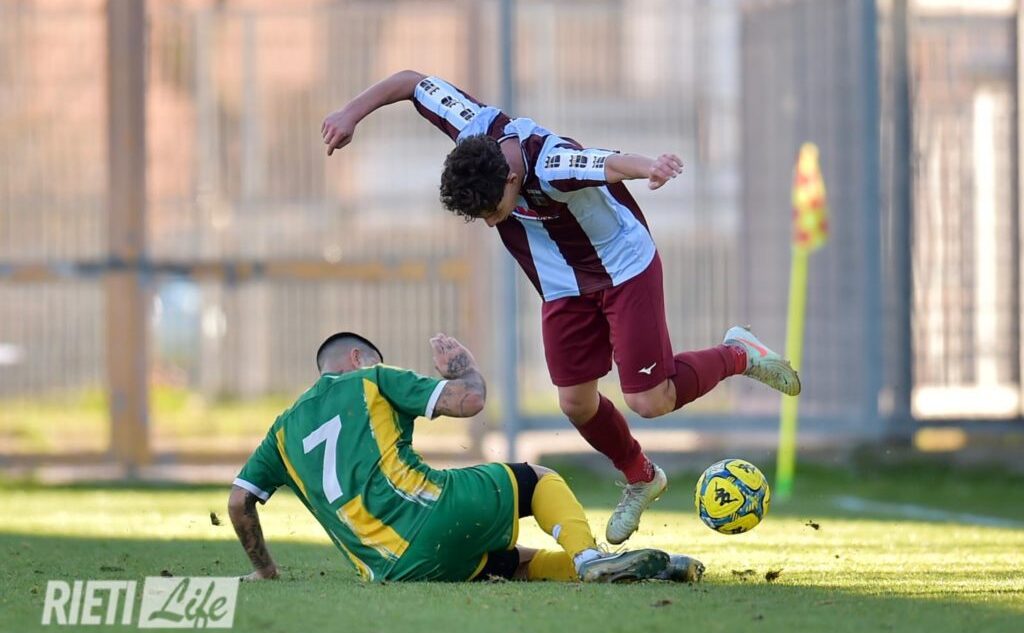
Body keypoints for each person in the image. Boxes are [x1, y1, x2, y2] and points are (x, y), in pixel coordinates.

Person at [320, 71, 802, 544]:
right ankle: (641, 476)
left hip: (623, 269)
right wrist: (349, 113)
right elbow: (411, 82)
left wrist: (652, 167)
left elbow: (610, 164)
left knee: (649, 401)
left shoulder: (552, 164)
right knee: (575, 403)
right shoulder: (474, 131)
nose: (490, 223)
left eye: (492, 211)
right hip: (561, 285)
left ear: (512, 178)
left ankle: (739, 354)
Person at [228, 331, 704, 584]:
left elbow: (238, 502)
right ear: (356, 358)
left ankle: (655, 568)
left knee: (514, 563)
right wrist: (463, 366)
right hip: (434, 514)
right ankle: (588, 557)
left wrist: (266, 569)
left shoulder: (282, 432)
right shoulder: (372, 378)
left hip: (392, 570)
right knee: (537, 479)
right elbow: (470, 401)